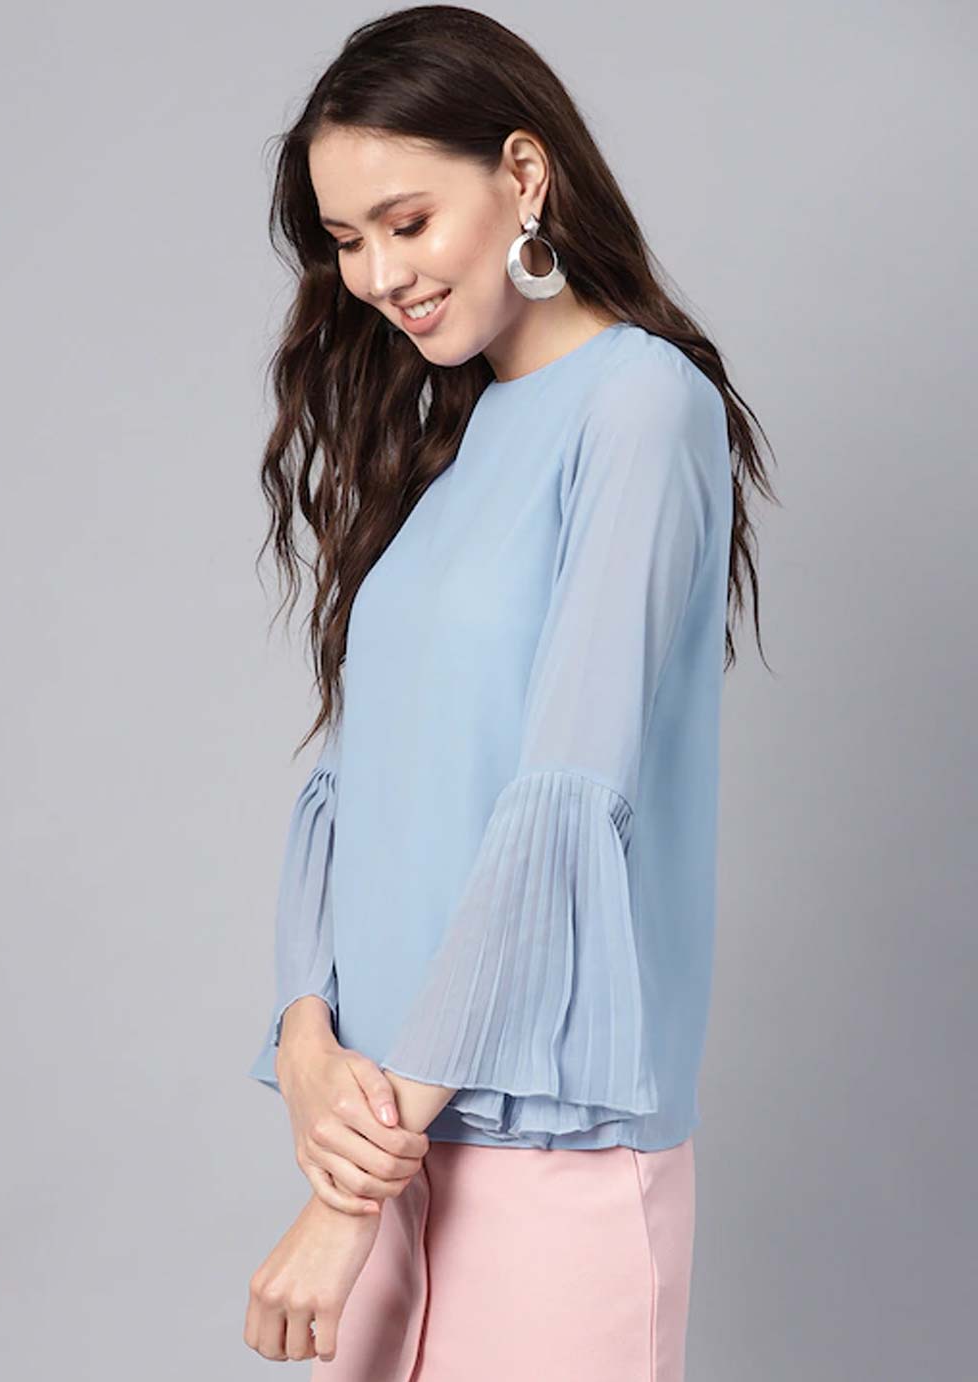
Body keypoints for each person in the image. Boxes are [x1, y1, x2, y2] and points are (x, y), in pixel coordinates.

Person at [242, 7, 775, 1378]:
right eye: (347, 240)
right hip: (384, 1133)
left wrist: (347, 1195)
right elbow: (356, 778)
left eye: (406, 222)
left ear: (524, 176)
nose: (378, 276)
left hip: (548, 1159)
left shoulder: (641, 405)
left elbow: (564, 799)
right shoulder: (453, 439)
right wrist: (304, 1036)